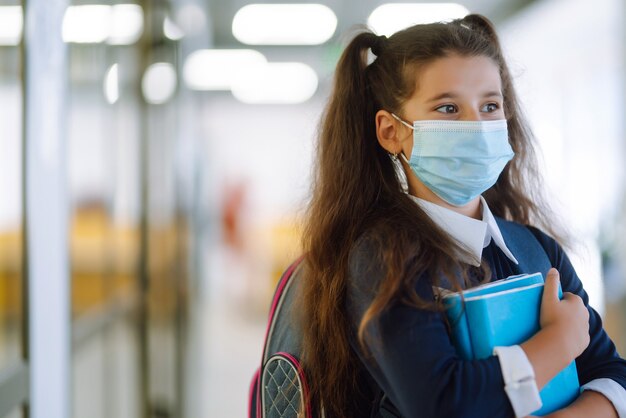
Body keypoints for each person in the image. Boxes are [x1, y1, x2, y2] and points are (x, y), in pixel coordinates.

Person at [296, 13, 626, 418]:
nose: (477, 125)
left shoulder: (537, 249)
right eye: (448, 108)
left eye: (490, 105)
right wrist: (559, 342)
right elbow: (443, 403)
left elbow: (613, 373)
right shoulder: (384, 259)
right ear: (390, 131)